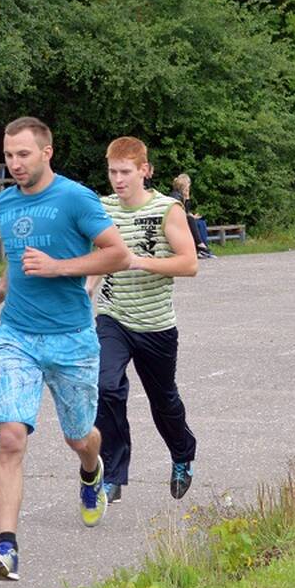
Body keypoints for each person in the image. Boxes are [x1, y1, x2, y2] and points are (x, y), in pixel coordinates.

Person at [0, 117, 131, 582]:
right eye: (8, 155)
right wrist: (2, 291)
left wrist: (61, 266)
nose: (14, 164)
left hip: (71, 340)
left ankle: (92, 472)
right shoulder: (2, 203)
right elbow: (18, 261)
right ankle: (7, 549)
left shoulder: (75, 198)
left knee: (79, 437)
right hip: (17, 336)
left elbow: (117, 254)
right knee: (9, 437)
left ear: (47, 152)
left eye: (23, 154)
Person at [88, 138, 199, 506]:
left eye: (125, 172)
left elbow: (188, 264)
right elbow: (97, 257)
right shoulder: (102, 208)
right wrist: (85, 289)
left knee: (163, 400)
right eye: (112, 172)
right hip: (113, 318)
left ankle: (182, 453)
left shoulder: (168, 209)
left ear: (144, 171)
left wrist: (136, 260)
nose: (118, 180)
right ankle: (113, 475)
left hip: (156, 325)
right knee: (105, 387)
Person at [169, 174, 213, 259]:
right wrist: (190, 216)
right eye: (188, 184)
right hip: (175, 221)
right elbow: (177, 212)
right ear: (184, 185)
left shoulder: (181, 195)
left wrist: (187, 198)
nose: (189, 186)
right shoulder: (175, 196)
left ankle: (202, 248)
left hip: (181, 220)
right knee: (191, 219)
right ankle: (201, 246)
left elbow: (186, 211)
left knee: (201, 222)